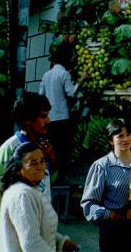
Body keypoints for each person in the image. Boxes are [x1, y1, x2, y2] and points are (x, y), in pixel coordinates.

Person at [0, 142, 79, 251]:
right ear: (18, 170)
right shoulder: (22, 195)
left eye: (42, 161)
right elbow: (32, 244)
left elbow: (40, 228)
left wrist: (62, 242)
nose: (40, 167)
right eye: (33, 163)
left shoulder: (30, 190)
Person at [0, 92, 54, 230]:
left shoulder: (41, 147)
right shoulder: (10, 149)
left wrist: (50, 160)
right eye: (43, 116)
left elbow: (45, 184)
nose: (49, 120)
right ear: (28, 119)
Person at [81, 118, 131, 252]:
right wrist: (110, 215)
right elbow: (88, 204)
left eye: (128, 134)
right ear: (111, 141)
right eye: (120, 136)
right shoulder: (101, 166)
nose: (125, 139)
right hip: (113, 229)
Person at [39, 49, 85, 180]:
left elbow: (41, 95)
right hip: (62, 118)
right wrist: (81, 81)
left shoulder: (46, 75)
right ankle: (60, 177)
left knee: (51, 147)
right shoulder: (64, 74)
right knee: (63, 148)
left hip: (49, 118)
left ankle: (50, 176)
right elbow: (71, 93)